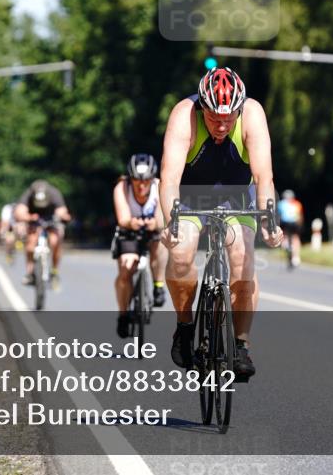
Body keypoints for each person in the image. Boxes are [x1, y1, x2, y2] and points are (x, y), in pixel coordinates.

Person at [159, 67, 284, 380]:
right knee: (181, 253)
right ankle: (185, 326)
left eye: (229, 118)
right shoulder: (184, 114)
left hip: (237, 196)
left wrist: (269, 219)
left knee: (243, 259)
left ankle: (240, 344)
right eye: (214, 117)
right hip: (190, 196)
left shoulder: (253, 114)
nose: (222, 124)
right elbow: (170, 178)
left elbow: (263, 176)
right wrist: (169, 221)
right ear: (202, 108)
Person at [112, 153, 169, 337]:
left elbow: (162, 215)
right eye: (137, 180)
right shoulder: (122, 187)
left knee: (161, 243)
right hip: (129, 231)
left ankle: (158, 285)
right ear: (131, 178)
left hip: (153, 231)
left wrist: (156, 223)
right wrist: (131, 223)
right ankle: (123, 315)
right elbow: (122, 217)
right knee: (126, 269)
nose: (142, 185)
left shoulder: (160, 186)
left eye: (146, 181)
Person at [13, 180, 71, 289]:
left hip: (51, 219)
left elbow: (63, 210)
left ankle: (54, 271)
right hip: (34, 219)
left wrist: (61, 215)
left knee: (55, 242)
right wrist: (28, 217)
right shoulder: (29, 193)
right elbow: (19, 211)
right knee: (30, 246)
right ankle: (30, 273)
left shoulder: (54, 193)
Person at [277, 189, 303, 267]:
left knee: (285, 235)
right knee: (295, 237)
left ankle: (286, 245)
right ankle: (296, 257)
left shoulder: (280, 204)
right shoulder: (297, 203)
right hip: (295, 223)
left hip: (285, 223)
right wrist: (300, 225)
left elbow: (278, 215)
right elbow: (300, 216)